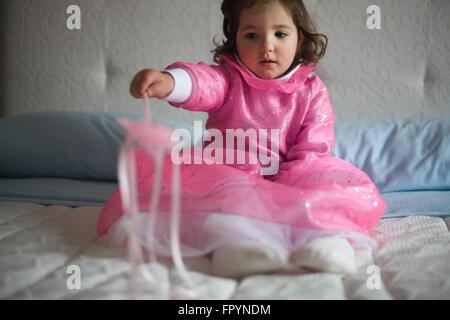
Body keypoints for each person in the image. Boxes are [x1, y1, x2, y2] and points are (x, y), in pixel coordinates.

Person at [97, 0, 386, 278]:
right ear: (234, 40)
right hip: (234, 175)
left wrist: (286, 185)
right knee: (223, 202)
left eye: (280, 33)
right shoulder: (228, 80)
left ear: (300, 39)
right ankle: (235, 248)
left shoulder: (311, 89)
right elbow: (203, 84)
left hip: (296, 176)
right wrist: (171, 83)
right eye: (251, 34)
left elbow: (314, 144)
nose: (266, 45)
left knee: (326, 190)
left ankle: (328, 242)